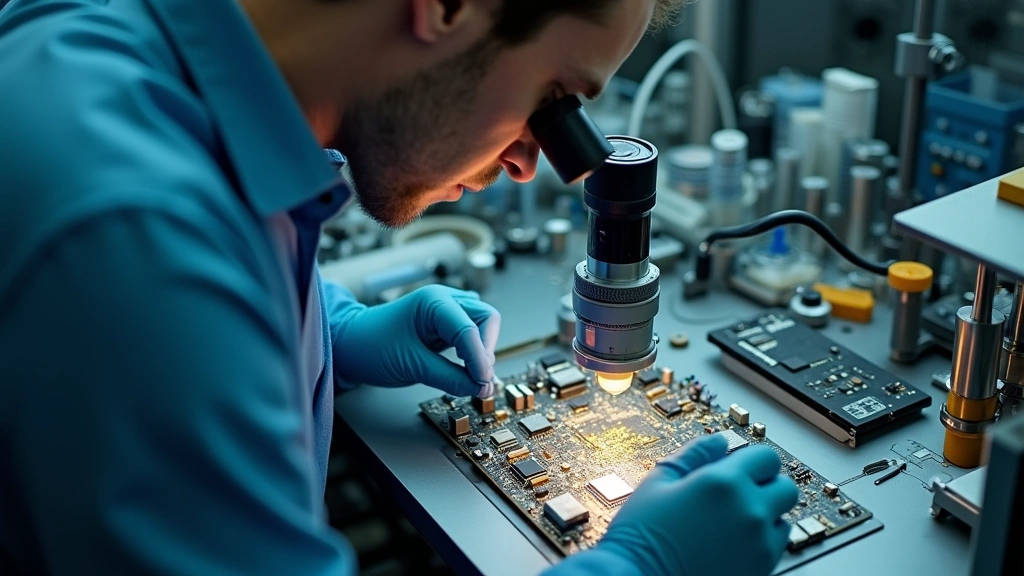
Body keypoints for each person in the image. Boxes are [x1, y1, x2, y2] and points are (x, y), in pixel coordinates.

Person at [0, 0, 799, 574]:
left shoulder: (119, 46)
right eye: (556, 106)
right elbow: (162, 290)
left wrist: (330, 327)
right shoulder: (137, 240)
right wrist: (642, 566)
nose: (530, 162)